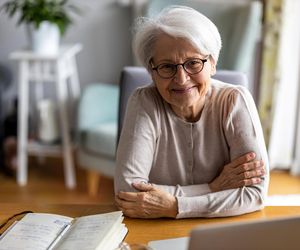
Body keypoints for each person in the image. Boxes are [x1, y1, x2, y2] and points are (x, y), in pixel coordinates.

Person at [114, 6, 269, 219]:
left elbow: (255, 194)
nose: (181, 79)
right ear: (151, 71)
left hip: (222, 230)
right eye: (167, 66)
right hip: (155, 230)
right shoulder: (144, 102)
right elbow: (129, 193)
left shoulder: (234, 100)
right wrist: (214, 187)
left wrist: (174, 206)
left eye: (193, 63)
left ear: (212, 63)